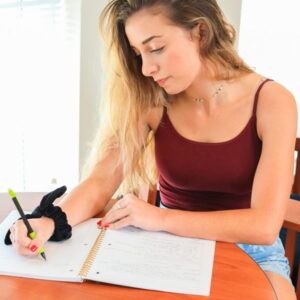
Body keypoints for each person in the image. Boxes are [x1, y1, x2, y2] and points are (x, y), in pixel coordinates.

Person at [6, 0, 297, 299]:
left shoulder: (273, 102)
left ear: (200, 32)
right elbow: (100, 181)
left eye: (156, 48)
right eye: (138, 54)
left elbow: (263, 226)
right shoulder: (152, 100)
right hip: (168, 250)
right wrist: (50, 220)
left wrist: (159, 218)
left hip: (254, 256)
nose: (146, 68)